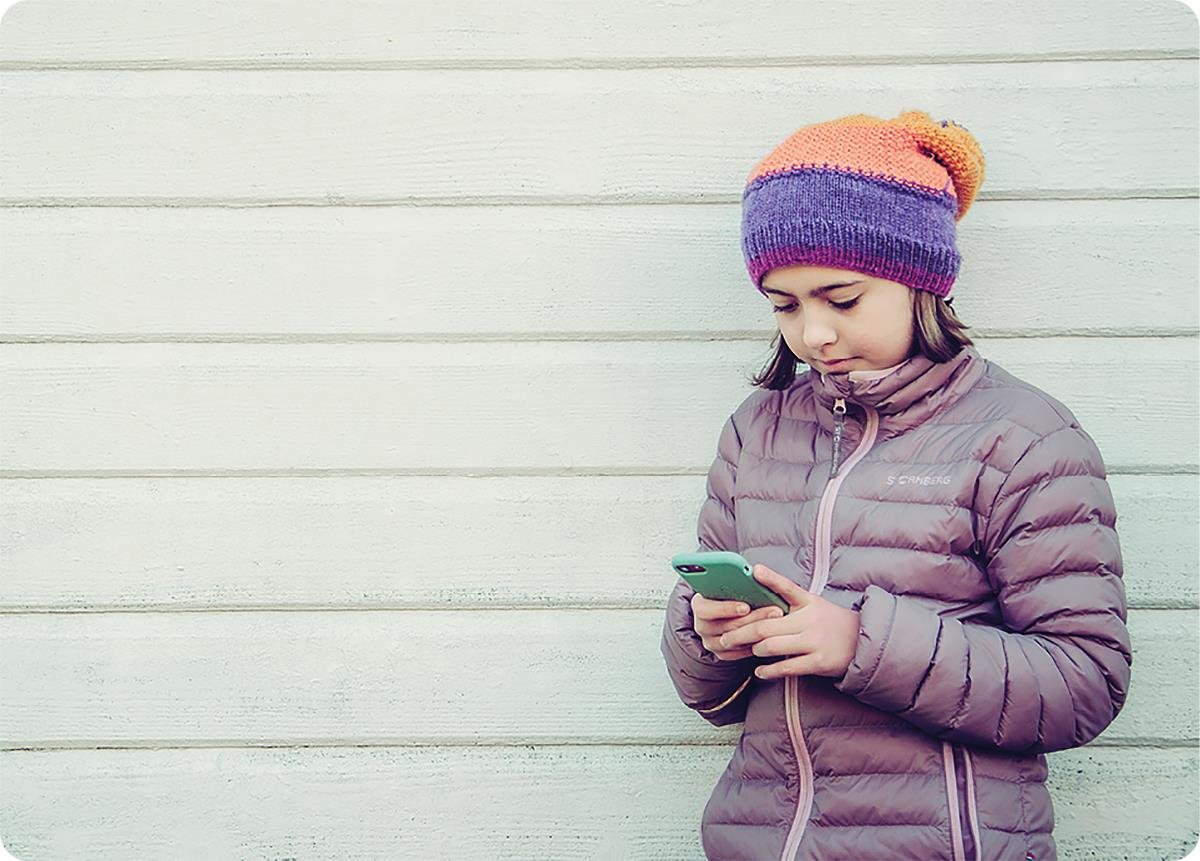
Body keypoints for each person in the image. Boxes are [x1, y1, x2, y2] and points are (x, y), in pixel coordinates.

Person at [659, 109, 1132, 861]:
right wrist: (708, 634)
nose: (813, 334)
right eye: (784, 304)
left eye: (841, 299)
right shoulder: (758, 429)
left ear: (921, 279)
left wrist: (859, 642)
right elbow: (705, 696)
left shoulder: (1022, 437)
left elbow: (1084, 682)